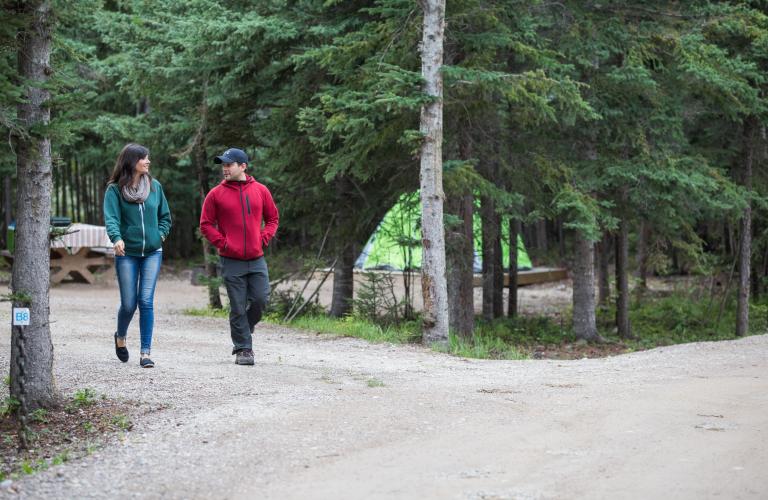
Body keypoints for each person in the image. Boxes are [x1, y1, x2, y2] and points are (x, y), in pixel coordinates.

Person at [199, 147, 279, 365]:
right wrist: (223, 243)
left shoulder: (261, 191)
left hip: (256, 257)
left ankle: (246, 326)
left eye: (229, 164)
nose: (225, 168)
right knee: (237, 305)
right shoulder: (215, 194)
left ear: (243, 166)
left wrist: (263, 238)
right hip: (231, 259)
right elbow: (205, 224)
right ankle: (244, 349)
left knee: (261, 299)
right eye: (223, 165)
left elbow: (273, 219)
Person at [104, 143, 172, 368]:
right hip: (127, 253)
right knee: (129, 303)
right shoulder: (114, 190)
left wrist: (160, 235)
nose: (148, 162)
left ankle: (145, 353)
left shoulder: (155, 187)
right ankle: (120, 337)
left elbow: (165, 217)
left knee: (146, 301)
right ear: (132, 162)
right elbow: (111, 218)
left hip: (153, 252)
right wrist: (116, 238)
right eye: (144, 158)